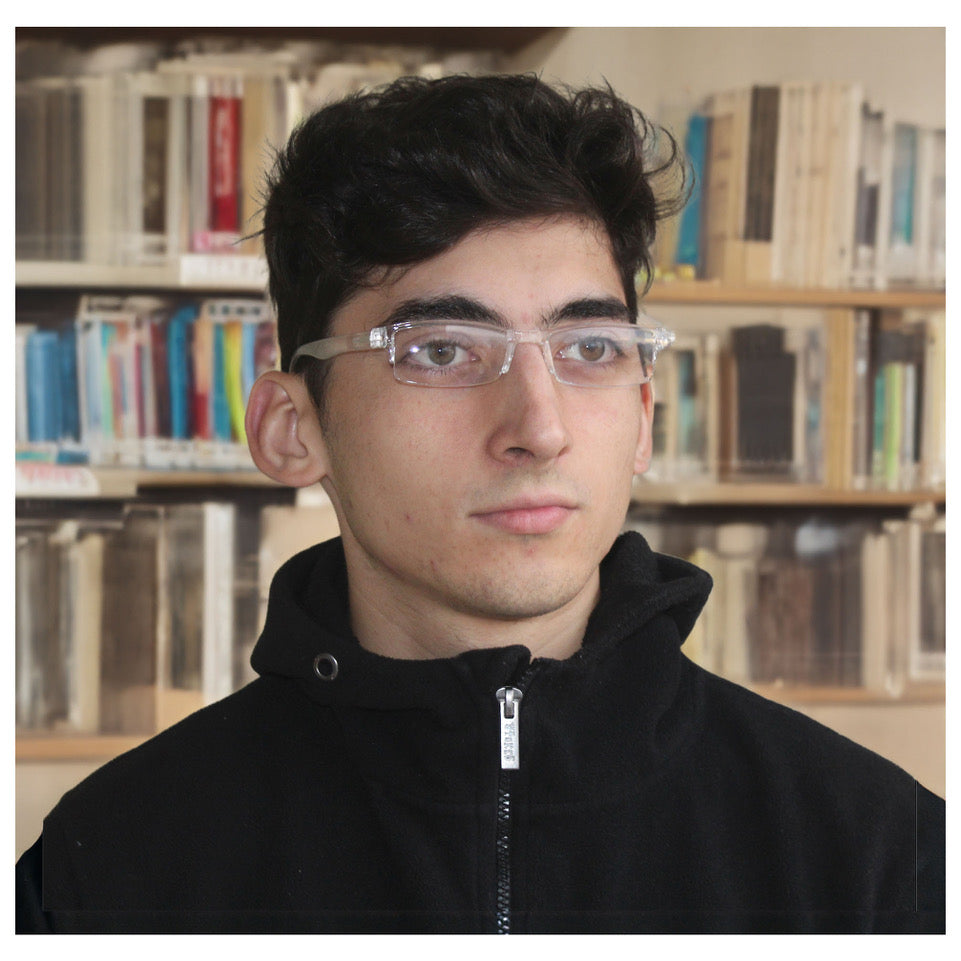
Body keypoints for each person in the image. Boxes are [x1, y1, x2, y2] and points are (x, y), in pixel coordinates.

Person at [16, 73, 944, 935]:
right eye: (441, 350)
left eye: (589, 349)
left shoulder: (881, 863)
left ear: (644, 417)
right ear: (293, 428)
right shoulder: (109, 875)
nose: (538, 428)